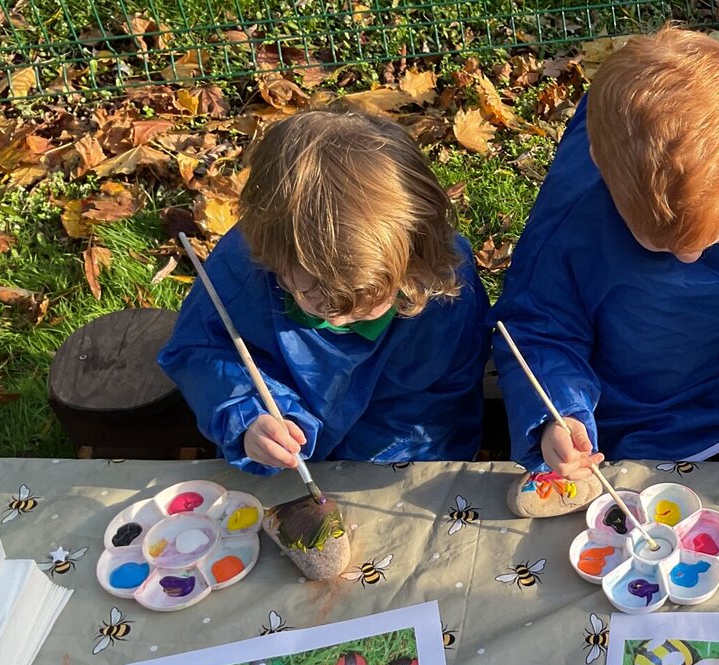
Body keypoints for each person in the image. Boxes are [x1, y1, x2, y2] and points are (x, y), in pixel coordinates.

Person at [491, 26, 719, 512]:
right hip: (625, 401)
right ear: (599, 165)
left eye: (714, 235)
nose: (688, 258)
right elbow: (539, 322)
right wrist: (559, 411)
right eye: (657, 243)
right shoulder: (575, 213)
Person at [159, 107, 489, 473]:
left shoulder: (442, 282)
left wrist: (378, 469)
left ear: (413, 259)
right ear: (273, 260)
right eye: (318, 298)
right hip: (278, 460)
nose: (341, 318)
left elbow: (440, 404)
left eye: (368, 302)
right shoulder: (243, 266)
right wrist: (247, 416)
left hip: (390, 457)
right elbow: (201, 349)